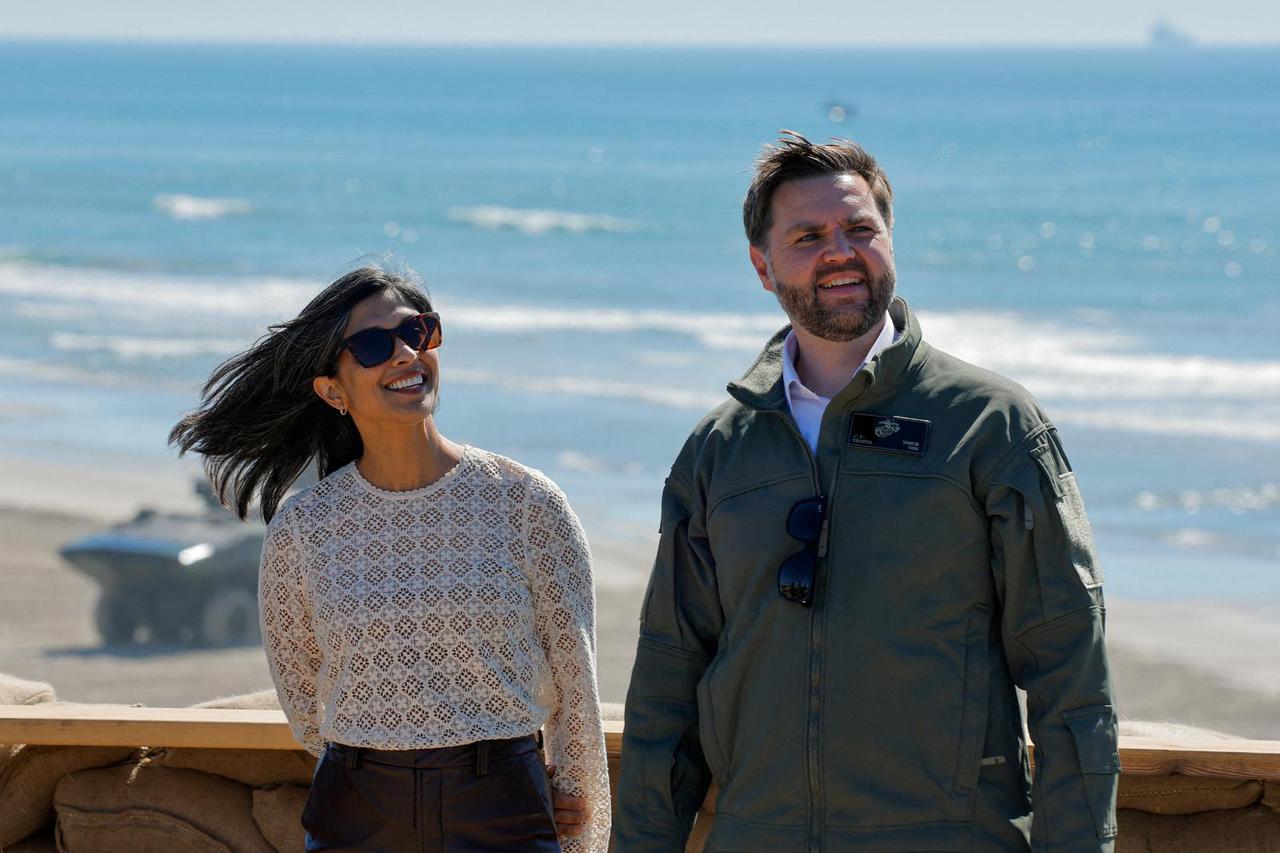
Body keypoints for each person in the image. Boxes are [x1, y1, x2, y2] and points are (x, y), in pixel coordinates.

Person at [615, 133, 1118, 851]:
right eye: (808, 236)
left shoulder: (992, 424)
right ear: (763, 265)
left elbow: (1071, 674)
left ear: (890, 239)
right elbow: (669, 682)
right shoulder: (719, 450)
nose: (839, 252)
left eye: (860, 229)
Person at [170, 262, 611, 852]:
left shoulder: (526, 503)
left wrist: (577, 815)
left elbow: (575, 682)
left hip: (502, 808)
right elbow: (303, 698)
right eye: (375, 345)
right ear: (332, 390)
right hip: (358, 814)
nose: (406, 354)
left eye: (419, 332)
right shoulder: (304, 528)